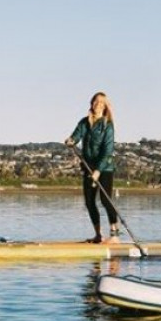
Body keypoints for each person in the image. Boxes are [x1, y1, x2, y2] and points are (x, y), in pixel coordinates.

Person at [64, 92, 119, 244]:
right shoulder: (84, 122)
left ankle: (114, 235)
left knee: (105, 200)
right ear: (92, 103)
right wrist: (71, 140)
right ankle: (98, 235)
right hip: (88, 166)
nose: (97, 104)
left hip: (105, 168)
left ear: (105, 106)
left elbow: (108, 151)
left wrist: (98, 170)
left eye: (101, 102)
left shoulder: (108, 125)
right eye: (95, 101)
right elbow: (77, 135)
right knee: (89, 202)